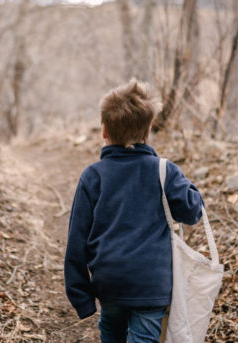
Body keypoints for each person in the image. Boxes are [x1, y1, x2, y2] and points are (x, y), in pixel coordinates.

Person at [64, 79, 204, 343]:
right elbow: (192, 212)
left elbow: (76, 239)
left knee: (112, 333)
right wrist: (186, 184)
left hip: (109, 283)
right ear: (148, 130)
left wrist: (81, 296)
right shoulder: (165, 172)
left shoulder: (93, 176)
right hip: (151, 285)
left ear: (104, 130)